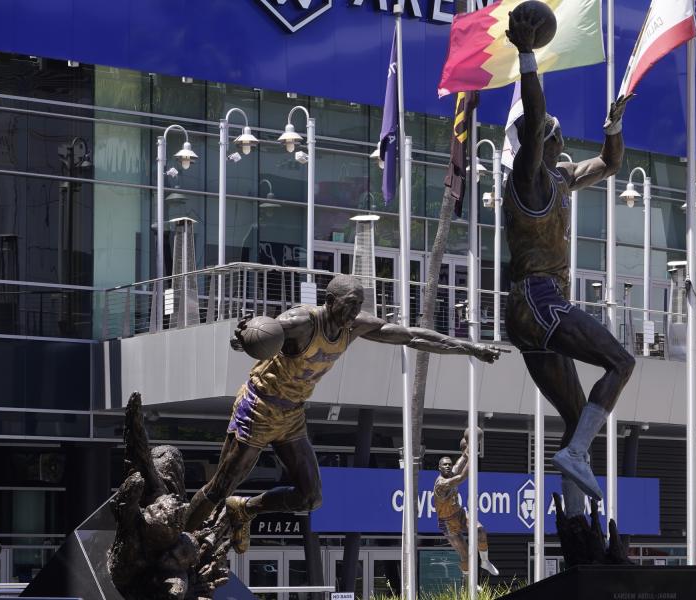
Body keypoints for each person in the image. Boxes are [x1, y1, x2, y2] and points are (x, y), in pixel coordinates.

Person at [183, 275, 503, 552]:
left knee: (311, 498)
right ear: (330, 301)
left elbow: (411, 335)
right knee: (220, 487)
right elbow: (263, 331)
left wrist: (469, 348)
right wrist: (244, 336)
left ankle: (245, 509)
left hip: (291, 416)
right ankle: (176, 542)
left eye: (359, 304)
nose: (354, 312)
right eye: (349, 304)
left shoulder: (355, 326)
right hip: (258, 408)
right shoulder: (302, 321)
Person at [502, 10, 634, 517]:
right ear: (545, 140)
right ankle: (576, 452)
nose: (560, 141)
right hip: (539, 301)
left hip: (529, 312)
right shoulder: (529, 178)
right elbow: (533, 121)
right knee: (621, 363)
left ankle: (577, 519)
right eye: (555, 136)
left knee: (579, 413)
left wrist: (614, 125)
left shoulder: (558, 179)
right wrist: (528, 56)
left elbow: (609, 163)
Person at [434, 429, 499, 577]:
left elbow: (462, 458)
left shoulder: (452, 472)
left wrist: (471, 444)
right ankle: (469, 581)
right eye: (444, 465)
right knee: (465, 555)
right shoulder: (442, 484)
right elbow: (463, 476)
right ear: (439, 468)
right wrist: (472, 456)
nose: (448, 466)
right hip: (448, 522)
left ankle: (485, 561)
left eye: (449, 464)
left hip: (459, 513)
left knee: (481, 531)